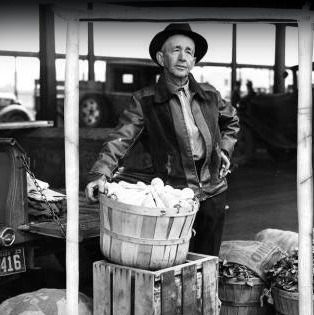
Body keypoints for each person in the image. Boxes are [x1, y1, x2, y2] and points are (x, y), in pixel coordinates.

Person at [85, 23, 239, 256]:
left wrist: (225, 151)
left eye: (188, 51)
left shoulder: (210, 95)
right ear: (161, 58)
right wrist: (101, 172)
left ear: (194, 61)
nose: (182, 57)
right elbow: (121, 138)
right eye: (175, 49)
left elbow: (232, 121)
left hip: (213, 190)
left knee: (208, 260)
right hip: (173, 196)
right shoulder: (144, 100)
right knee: (173, 260)